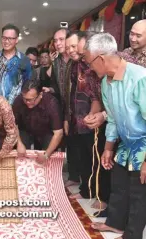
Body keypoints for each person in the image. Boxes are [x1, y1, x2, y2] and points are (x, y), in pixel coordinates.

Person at [85, 33, 146, 239]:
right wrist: (108, 148)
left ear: (100, 59)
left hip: (143, 142)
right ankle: (116, 223)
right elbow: (111, 118)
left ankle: (133, 236)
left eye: (89, 62)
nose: (89, 68)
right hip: (125, 140)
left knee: (138, 190)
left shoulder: (139, 77)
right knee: (118, 183)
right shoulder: (105, 83)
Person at [64, 31, 103, 200]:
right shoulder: (74, 65)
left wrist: (93, 114)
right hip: (78, 120)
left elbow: (97, 95)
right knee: (84, 158)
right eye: (68, 48)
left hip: (95, 118)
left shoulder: (93, 64)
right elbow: (70, 94)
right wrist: (68, 117)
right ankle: (86, 190)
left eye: (74, 46)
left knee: (97, 159)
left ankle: (98, 194)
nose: (72, 51)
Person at [13, 79, 63, 164]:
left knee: (47, 154)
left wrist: (46, 154)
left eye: (31, 99)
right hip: (25, 130)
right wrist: (19, 143)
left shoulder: (51, 103)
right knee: (20, 150)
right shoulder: (19, 100)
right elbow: (13, 125)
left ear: (40, 95)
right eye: (25, 99)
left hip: (46, 131)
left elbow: (58, 133)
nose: (27, 102)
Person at [0, 24, 32, 104]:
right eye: (4, 38)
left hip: (16, 107)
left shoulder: (24, 60)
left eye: (10, 38)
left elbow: (28, 84)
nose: (6, 41)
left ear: (16, 40)